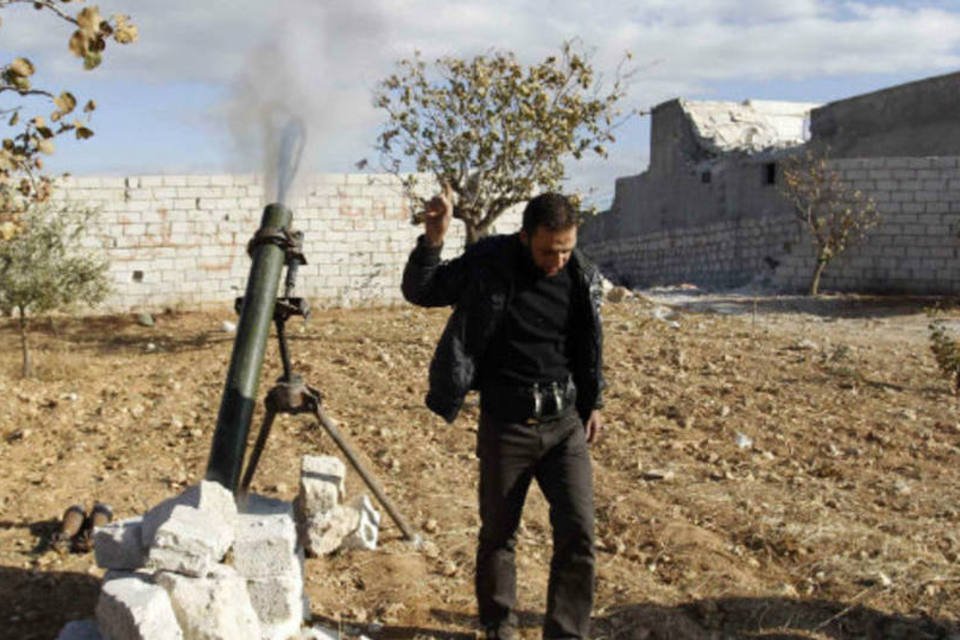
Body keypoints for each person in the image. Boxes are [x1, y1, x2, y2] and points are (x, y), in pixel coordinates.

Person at [401, 187, 605, 640]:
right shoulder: (489, 260)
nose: (558, 261)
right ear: (524, 236)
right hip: (507, 425)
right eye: (548, 251)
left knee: (580, 532)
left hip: (564, 425)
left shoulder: (580, 274)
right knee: (499, 535)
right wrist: (433, 240)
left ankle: (567, 633)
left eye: (567, 250)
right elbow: (424, 290)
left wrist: (594, 402)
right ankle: (500, 628)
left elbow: (588, 344)